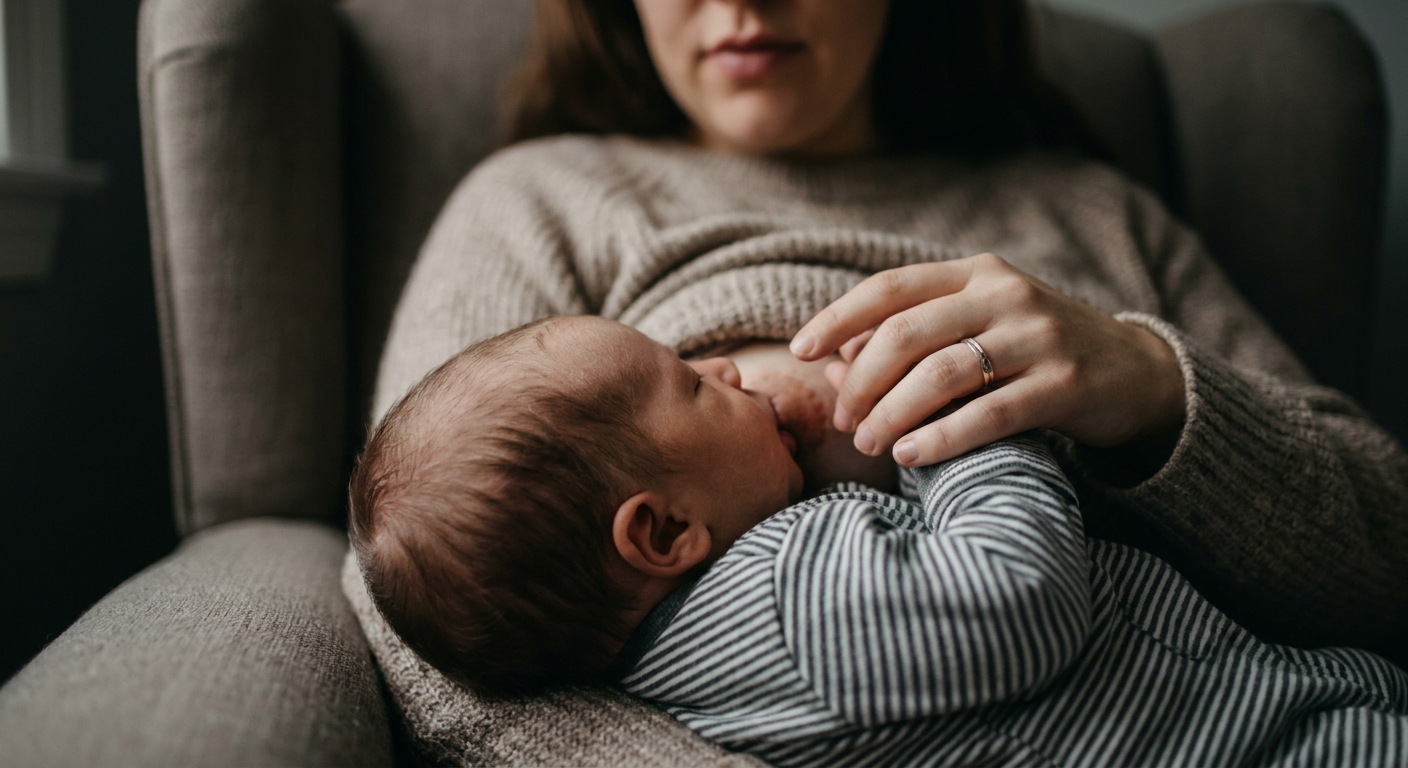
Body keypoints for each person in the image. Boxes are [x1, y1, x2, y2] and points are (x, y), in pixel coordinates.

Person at [371, 0, 1407, 673]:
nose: (743, 3)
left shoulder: (1090, 212)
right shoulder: (540, 199)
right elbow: (431, 623)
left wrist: (1150, 387)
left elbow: (1386, 559)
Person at [349, 314, 1408, 766]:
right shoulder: (780, 603)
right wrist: (956, 421)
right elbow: (1016, 595)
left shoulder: (741, 609)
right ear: (663, 530)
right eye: (688, 382)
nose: (725, 370)